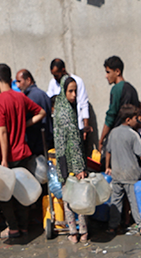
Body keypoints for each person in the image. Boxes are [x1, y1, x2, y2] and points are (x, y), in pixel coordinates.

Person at [0, 63, 45, 239]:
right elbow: (42, 112)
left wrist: (5, 159)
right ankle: (23, 227)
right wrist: (26, 124)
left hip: (8, 156)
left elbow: (2, 131)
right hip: (23, 152)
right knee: (22, 190)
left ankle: (13, 228)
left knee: (5, 194)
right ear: (10, 79)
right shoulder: (20, 97)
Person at [52, 74, 89, 243]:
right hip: (72, 162)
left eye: (76, 91)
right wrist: (80, 167)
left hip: (62, 161)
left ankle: (72, 231)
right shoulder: (67, 113)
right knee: (78, 196)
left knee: (68, 197)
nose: (74, 95)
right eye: (70, 91)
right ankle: (82, 230)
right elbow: (73, 143)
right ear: (63, 91)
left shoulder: (60, 107)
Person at [105, 103, 141, 235]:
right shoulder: (133, 134)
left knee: (116, 201)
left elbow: (107, 151)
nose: (137, 121)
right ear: (128, 120)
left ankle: (113, 226)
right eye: (135, 118)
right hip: (132, 175)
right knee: (134, 201)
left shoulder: (113, 132)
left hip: (117, 174)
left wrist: (107, 167)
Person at [98, 56, 140, 152]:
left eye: (108, 72)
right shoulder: (132, 89)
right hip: (131, 138)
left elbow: (110, 117)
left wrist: (101, 140)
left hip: (117, 139)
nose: (106, 76)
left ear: (117, 71)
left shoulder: (116, 89)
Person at [46, 59, 90, 134]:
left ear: (63, 70)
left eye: (56, 75)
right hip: (61, 129)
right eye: (53, 75)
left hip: (77, 126)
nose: (55, 78)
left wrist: (85, 127)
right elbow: (49, 101)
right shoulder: (53, 83)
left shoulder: (78, 81)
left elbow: (84, 104)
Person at [15, 68, 52, 155]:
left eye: (19, 81)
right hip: (47, 140)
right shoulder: (43, 94)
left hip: (36, 142)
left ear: (28, 80)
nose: (18, 85)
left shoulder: (30, 98)